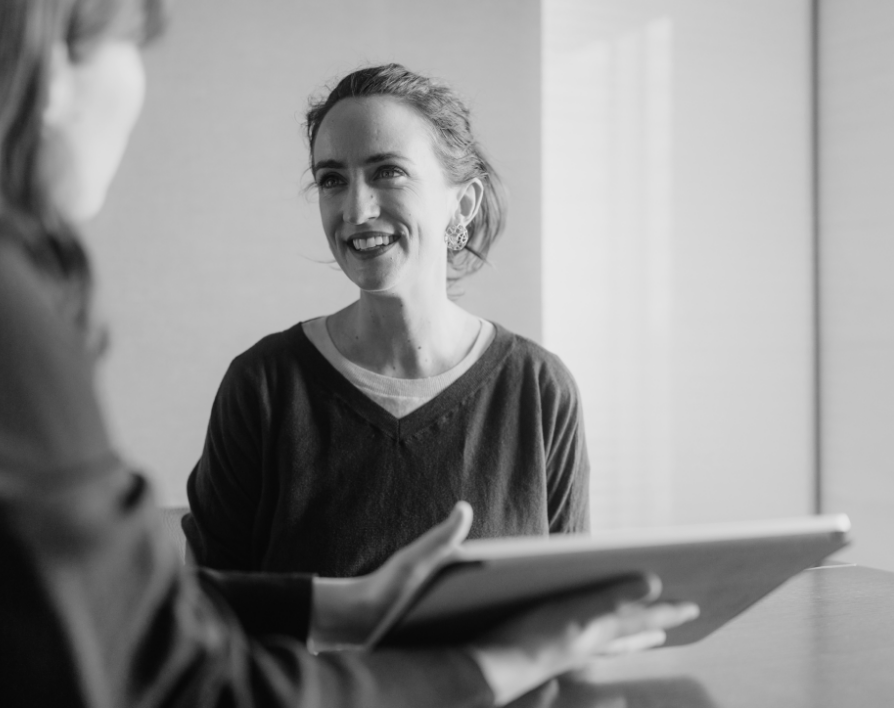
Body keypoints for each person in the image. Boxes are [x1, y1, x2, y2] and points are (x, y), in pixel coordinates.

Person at [0, 0, 696, 707]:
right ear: (48, 64)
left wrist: (332, 608)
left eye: (385, 173)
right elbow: (168, 679)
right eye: (132, 39)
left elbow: (86, 616)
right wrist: (497, 665)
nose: (354, 208)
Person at [185, 64, 590, 579]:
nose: (355, 209)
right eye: (332, 179)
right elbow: (206, 617)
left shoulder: (538, 389)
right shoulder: (262, 385)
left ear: (462, 203)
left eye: (387, 172)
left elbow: (567, 612)